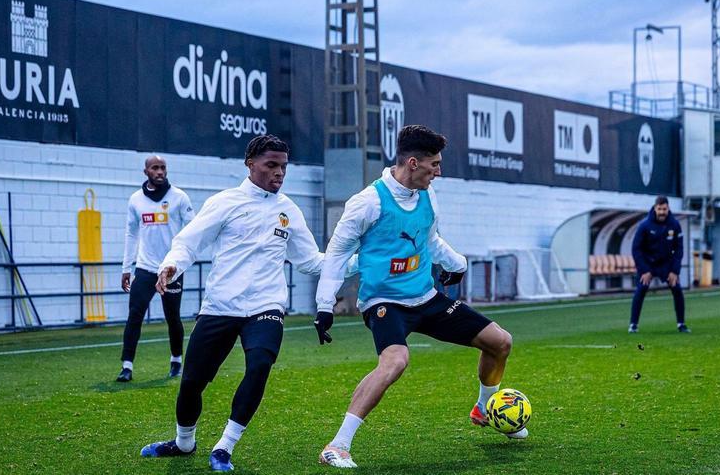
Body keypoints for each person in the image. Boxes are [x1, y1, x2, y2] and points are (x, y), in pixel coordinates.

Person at [139, 135, 356, 472]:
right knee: (192, 382)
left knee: (258, 367)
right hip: (220, 306)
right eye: (272, 164)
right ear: (250, 163)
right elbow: (188, 242)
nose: (279, 172)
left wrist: (358, 261)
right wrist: (171, 265)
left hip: (266, 307)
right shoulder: (225, 202)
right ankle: (184, 442)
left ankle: (225, 447)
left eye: (283, 166)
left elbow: (312, 261)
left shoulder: (289, 210)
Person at [314, 125, 524, 469]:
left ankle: (483, 408)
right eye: (434, 165)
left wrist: (457, 263)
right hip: (384, 302)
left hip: (426, 297)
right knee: (396, 361)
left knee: (500, 342)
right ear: (413, 163)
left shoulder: (428, 195)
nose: (438, 172)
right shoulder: (366, 203)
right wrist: (325, 306)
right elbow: (336, 255)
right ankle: (337, 446)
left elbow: (430, 241)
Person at [118, 155, 195, 382]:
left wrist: (180, 261)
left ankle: (176, 361)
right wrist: (126, 267)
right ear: (146, 172)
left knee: (172, 317)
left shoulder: (179, 198)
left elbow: (192, 230)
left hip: (171, 269)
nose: (160, 171)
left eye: (163, 168)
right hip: (144, 268)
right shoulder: (135, 200)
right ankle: (127, 366)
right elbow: (131, 234)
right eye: (155, 168)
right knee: (134, 316)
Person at [628, 196, 688, 333]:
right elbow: (636, 249)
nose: (662, 212)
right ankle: (633, 325)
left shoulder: (674, 225)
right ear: (655, 208)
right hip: (648, 264)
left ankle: (681, 324)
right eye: (659, 209)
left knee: (677, 289)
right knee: (641, 289)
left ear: (668, 209)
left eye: (664, 209)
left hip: (666, 264)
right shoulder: (644, 225)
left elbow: (679, 249)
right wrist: (644, 270)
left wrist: (675, 271)